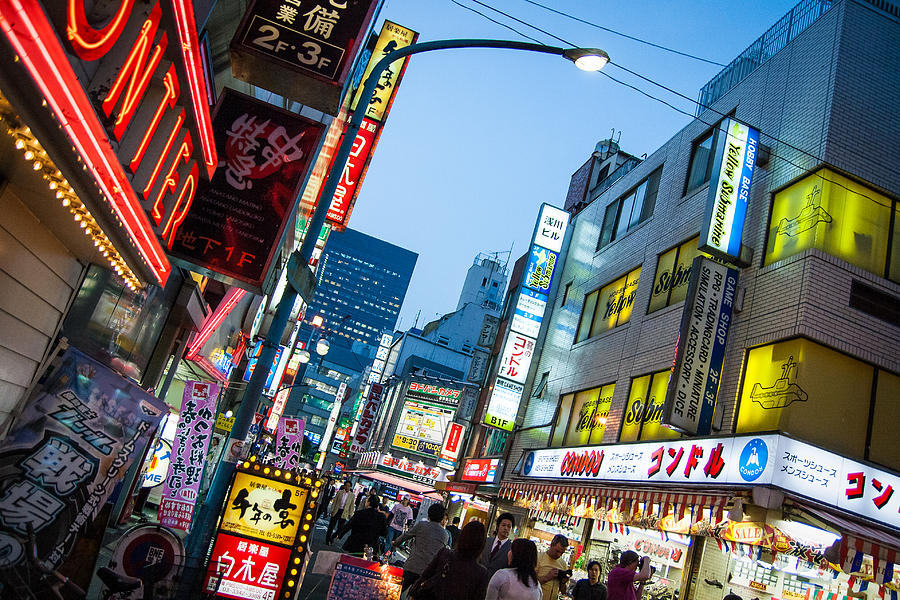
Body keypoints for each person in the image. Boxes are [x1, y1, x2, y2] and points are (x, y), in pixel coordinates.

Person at [410, 520, 490, 600]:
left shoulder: (445, 554)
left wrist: (413, 594)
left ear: (462, 536)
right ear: (481, 544)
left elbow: (425, 576)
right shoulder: (481, 573)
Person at [392, 503, 450, 592]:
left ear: (429, 514)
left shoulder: (422, 525)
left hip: (412, 566)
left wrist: (395, 543)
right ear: (442, 518)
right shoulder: (445, 534)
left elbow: (405, 536)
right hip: (427, 573)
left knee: (396, 591)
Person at [536, 534, 570, 600]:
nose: (559, 555)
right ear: (551, 545)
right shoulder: (538, 558)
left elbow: (563, 592)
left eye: (562, 553)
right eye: (557, 551)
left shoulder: (563, 565)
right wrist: (547, 577)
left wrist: (563, 582)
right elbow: (530, 582)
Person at [326, 481, 355, 545]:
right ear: (344, 486)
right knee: (331, 526)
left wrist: (351, 514)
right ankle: (327, 539)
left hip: (344, 512)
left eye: (348, 486)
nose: (347, 487)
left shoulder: (352, 495)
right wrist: (331, 510)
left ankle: (332, 537)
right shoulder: (340, 492)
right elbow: (334, 502)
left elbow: (352, 505)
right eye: (346, 485)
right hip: (337, 510)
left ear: (350, 487)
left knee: (340, 528)